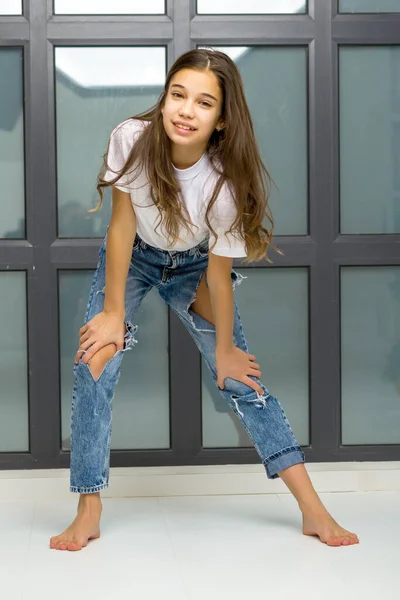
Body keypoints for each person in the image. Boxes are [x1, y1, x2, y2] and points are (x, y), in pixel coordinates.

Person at [50, 49, 359, 551]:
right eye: (178, 95)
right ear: (165, 97)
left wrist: (225, 349)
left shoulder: (225, 183)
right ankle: (88, 508)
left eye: (204, 102)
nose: (186, 110)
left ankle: (313, 510)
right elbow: (122, 226)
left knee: (239, 376)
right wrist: (111, 314)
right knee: (95, 361)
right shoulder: (131, 138)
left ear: (221, 119)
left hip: (194, 264)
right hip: (135, 255)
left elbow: (217, 274)